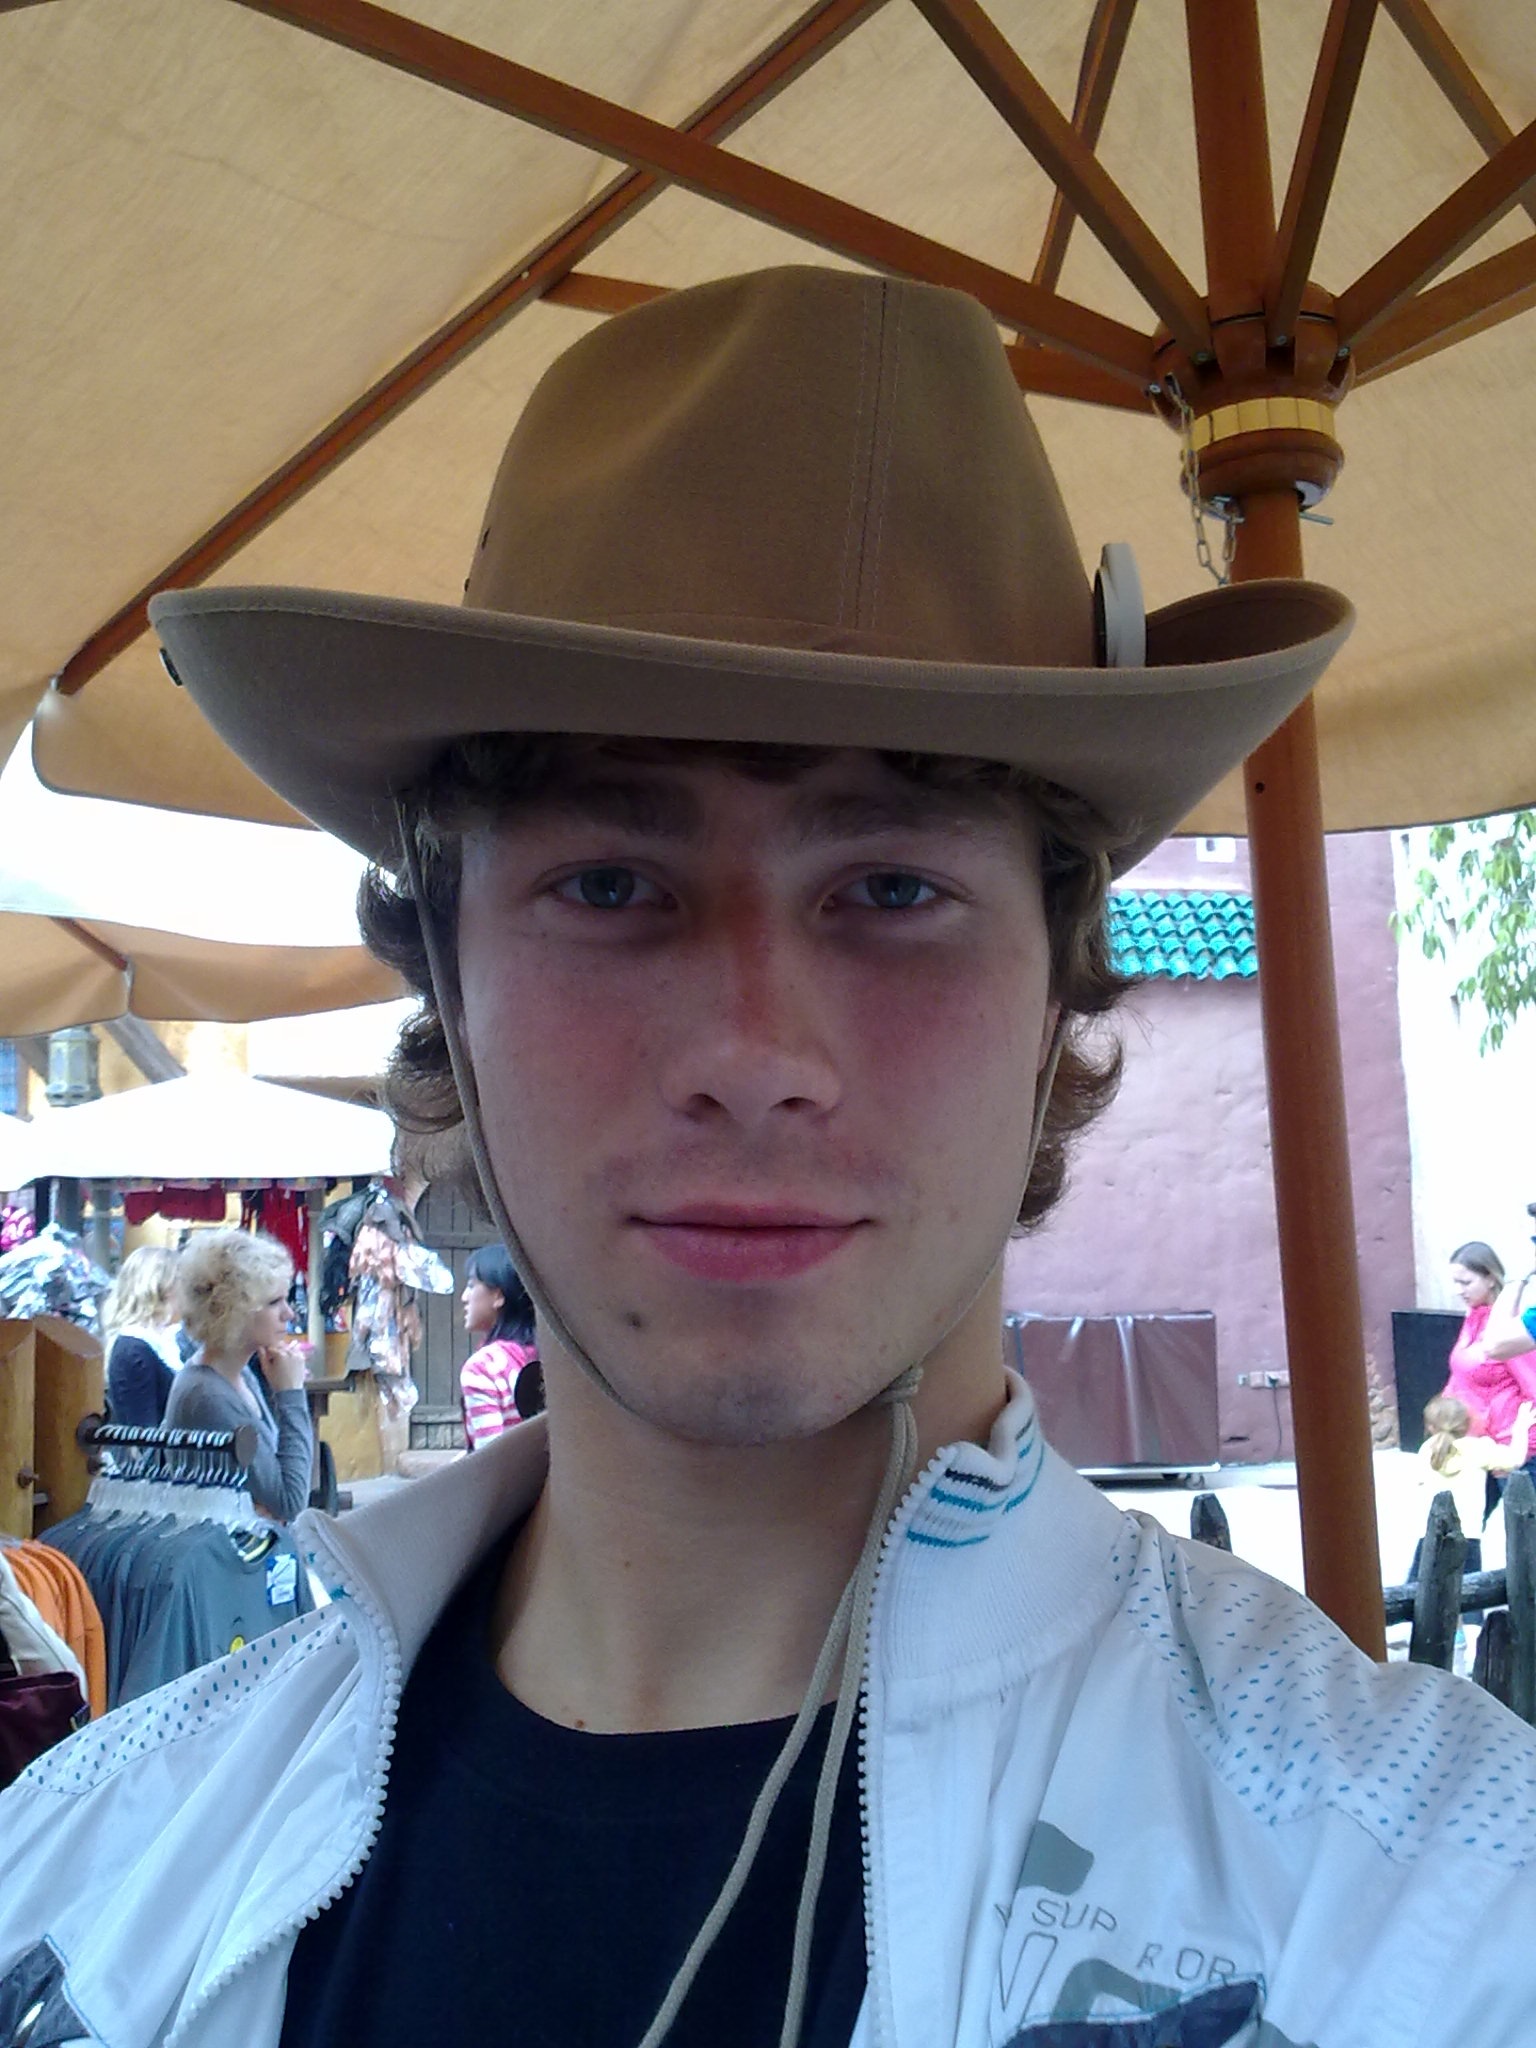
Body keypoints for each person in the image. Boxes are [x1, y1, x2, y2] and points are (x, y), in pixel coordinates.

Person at [3, 267, 1535, 2047]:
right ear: (447, 972)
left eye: (892, 886)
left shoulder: (1431, 1890)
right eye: (611, 884)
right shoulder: (82, 1890)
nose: (753, 1055)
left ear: (1057, 982)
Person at [162, 1228, 314, 1525]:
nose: (289, 1314)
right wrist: (291, 1394)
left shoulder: (238, 1373)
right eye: (274, 1302)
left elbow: (280, 1499)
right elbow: (291, 1501)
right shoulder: (207, 1394)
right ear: (234, 1310)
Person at [1440, 1241, 1536, 1493]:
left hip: (1511, 1452)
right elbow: (1459, 1378)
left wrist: (1520, 1451)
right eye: (1455, 1282)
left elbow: (1534, 1388)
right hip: (1475, 1446)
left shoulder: (1510, 1330)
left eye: (1466, 1282)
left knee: (1521, 1517)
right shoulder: (1472, 1319)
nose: (1458, 1291)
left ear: (1491, 1279)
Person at [459, 1243, 543, 1446]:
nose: (464, 1297)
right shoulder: (547, 1356)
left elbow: (490, 1455)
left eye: (471, 1285)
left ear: (498, 1296)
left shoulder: (482, 1368)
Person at [100, 1244, 183, 1426]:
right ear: (163, 1287)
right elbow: (141, 1432)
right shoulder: (132, 1349)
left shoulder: (167, 1337)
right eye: (181, 1280)